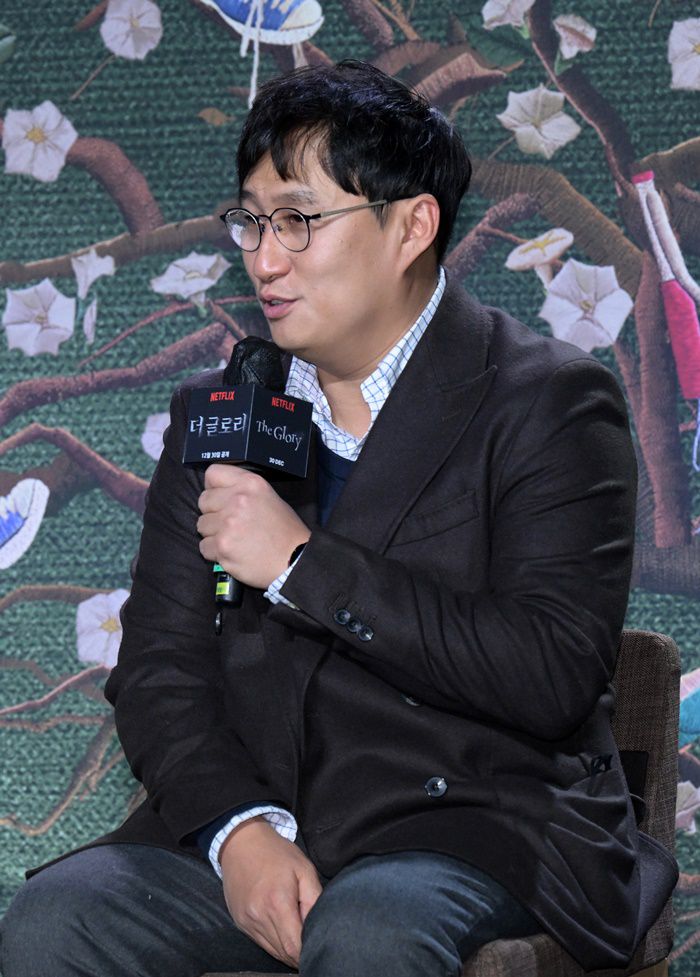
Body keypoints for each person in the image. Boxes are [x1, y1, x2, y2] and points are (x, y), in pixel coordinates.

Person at [0, 59, 677, 977]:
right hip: (267, 822)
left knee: (367, 931)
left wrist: (299, 563)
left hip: (473, 827)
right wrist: (240, 831)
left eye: (298, 221)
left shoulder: (551, 402)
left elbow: (549, 672)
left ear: (412, 226)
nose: (264, 259)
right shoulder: (224, 415)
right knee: (58, 916)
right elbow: (159, 670)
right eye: (251, 221)